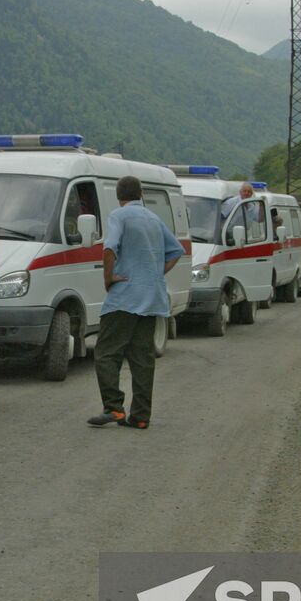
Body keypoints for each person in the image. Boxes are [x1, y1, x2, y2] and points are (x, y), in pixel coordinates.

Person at [88, 175, 185, 430]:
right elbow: (176, 250)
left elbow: (109, 248)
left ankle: (114, 408)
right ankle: (140, 416)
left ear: (119, 196)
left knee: (106, 353)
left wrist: (108, 279)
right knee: (143, 358)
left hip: (124, 298)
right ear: (141, 194)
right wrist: (153, 274)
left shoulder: (119, 216)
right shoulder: (154, 219)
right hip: (152, 298)